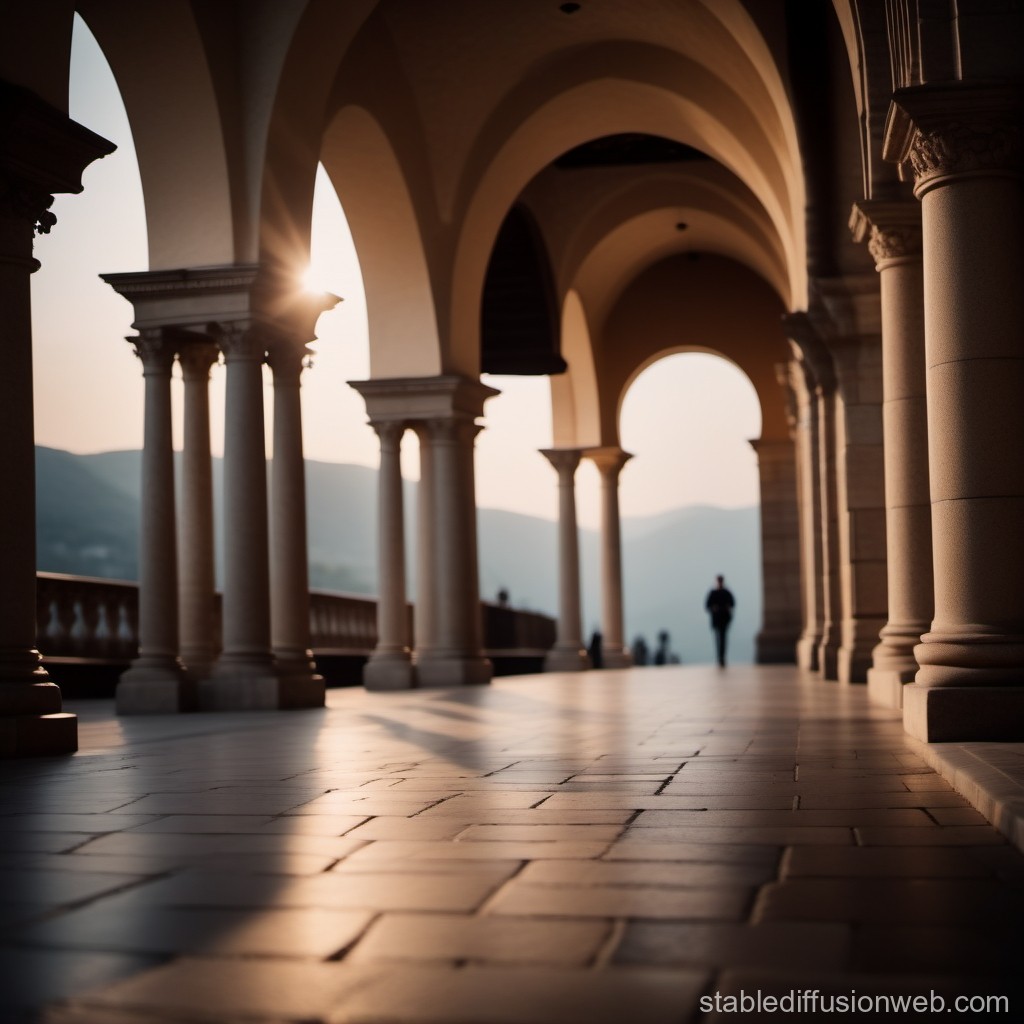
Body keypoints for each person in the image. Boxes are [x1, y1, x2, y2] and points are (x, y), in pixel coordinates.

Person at [705, 574, 735, 667]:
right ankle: (720, 657)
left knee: (722, 639)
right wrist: (714, 609)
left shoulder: (726, 592)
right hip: (717, 620)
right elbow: (707, 606)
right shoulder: (714, 593)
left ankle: (721, 657)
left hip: (724, 620)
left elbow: (732, 604)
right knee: (719, 639)